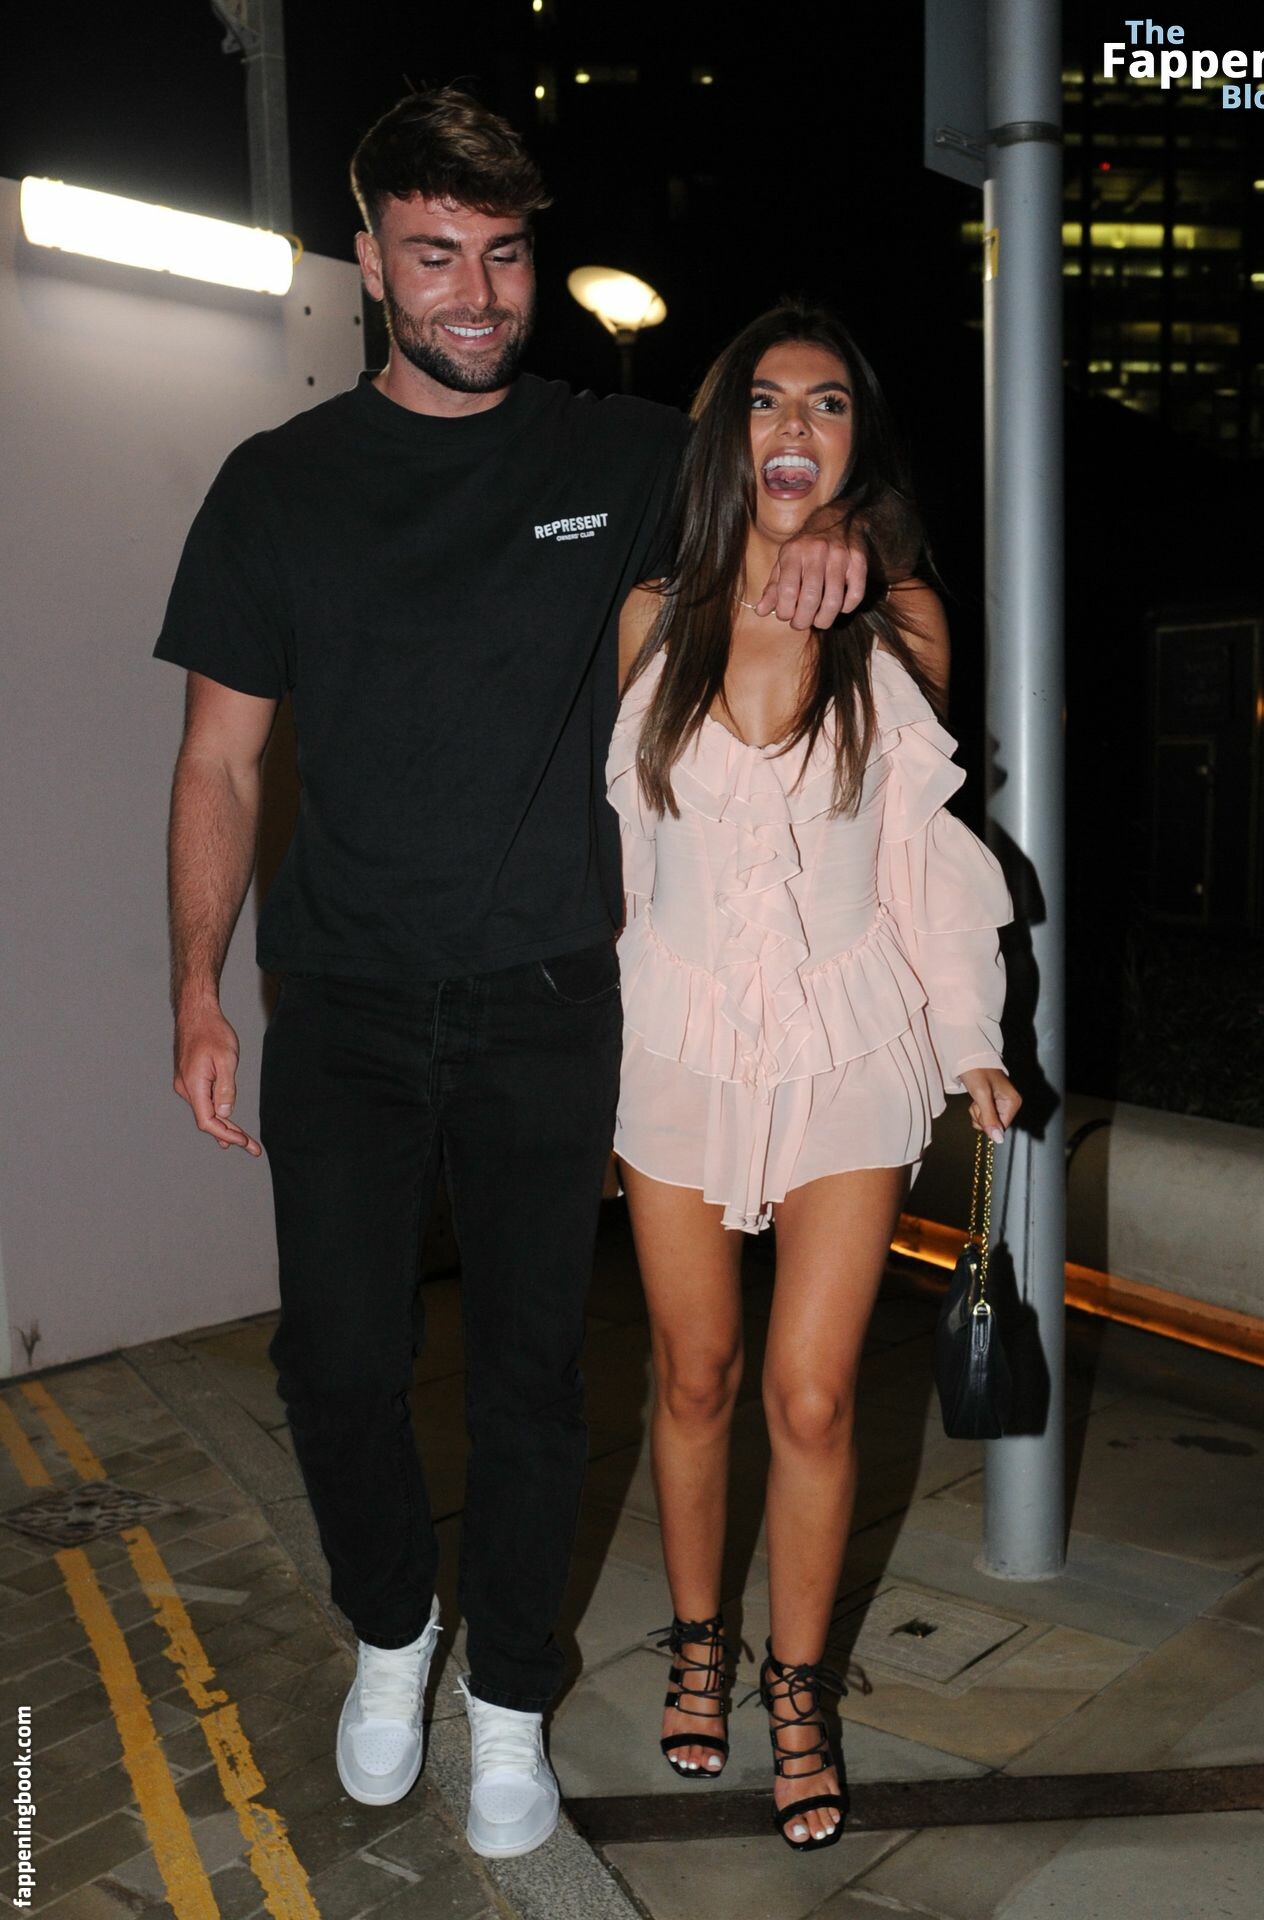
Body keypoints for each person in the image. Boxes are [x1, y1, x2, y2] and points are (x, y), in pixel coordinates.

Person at [153, 91, 868, 1858]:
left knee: (537, 1377)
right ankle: (394, 1632)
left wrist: (814, 540)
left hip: (552, 994)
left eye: (501, 254)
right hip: (344, 998)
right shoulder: (276, 487)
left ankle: (509, 1703)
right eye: (433, 255)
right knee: (336, 1360)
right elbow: (219, 761)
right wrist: (194, 989)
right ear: (368, 262)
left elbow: (777, 493)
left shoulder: (612, 456)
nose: (474, 292)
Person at [608, 304, 1021, 1852]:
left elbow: (923, 862)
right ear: (724, 434)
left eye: (828, 403)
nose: (794, 424)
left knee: (813, 1389)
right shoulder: (652, 617)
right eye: (765, 400)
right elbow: (626, 861)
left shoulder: (897, 622)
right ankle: (695, 1644)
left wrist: (971, 1039)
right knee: (694, 1375)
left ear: (856, 443)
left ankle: (796, 1691)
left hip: (850, 1044)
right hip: (677, 1043)